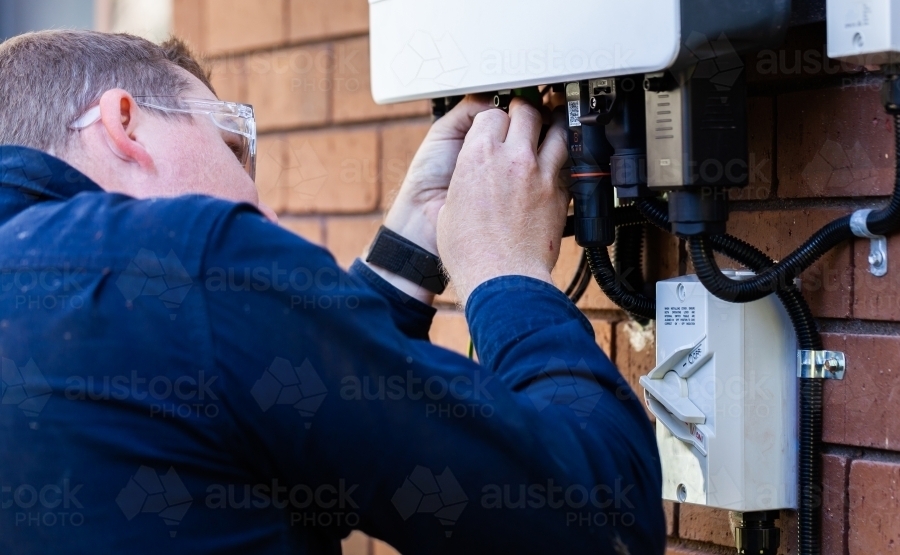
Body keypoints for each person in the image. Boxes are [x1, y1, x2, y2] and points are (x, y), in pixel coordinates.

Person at [0, 30, 664, 554]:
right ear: (126, 124)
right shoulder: (187, 255)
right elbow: (604, 520)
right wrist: (505, 269)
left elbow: (288, 438)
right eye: (233, 146)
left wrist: (408, 252)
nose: (255, 197)